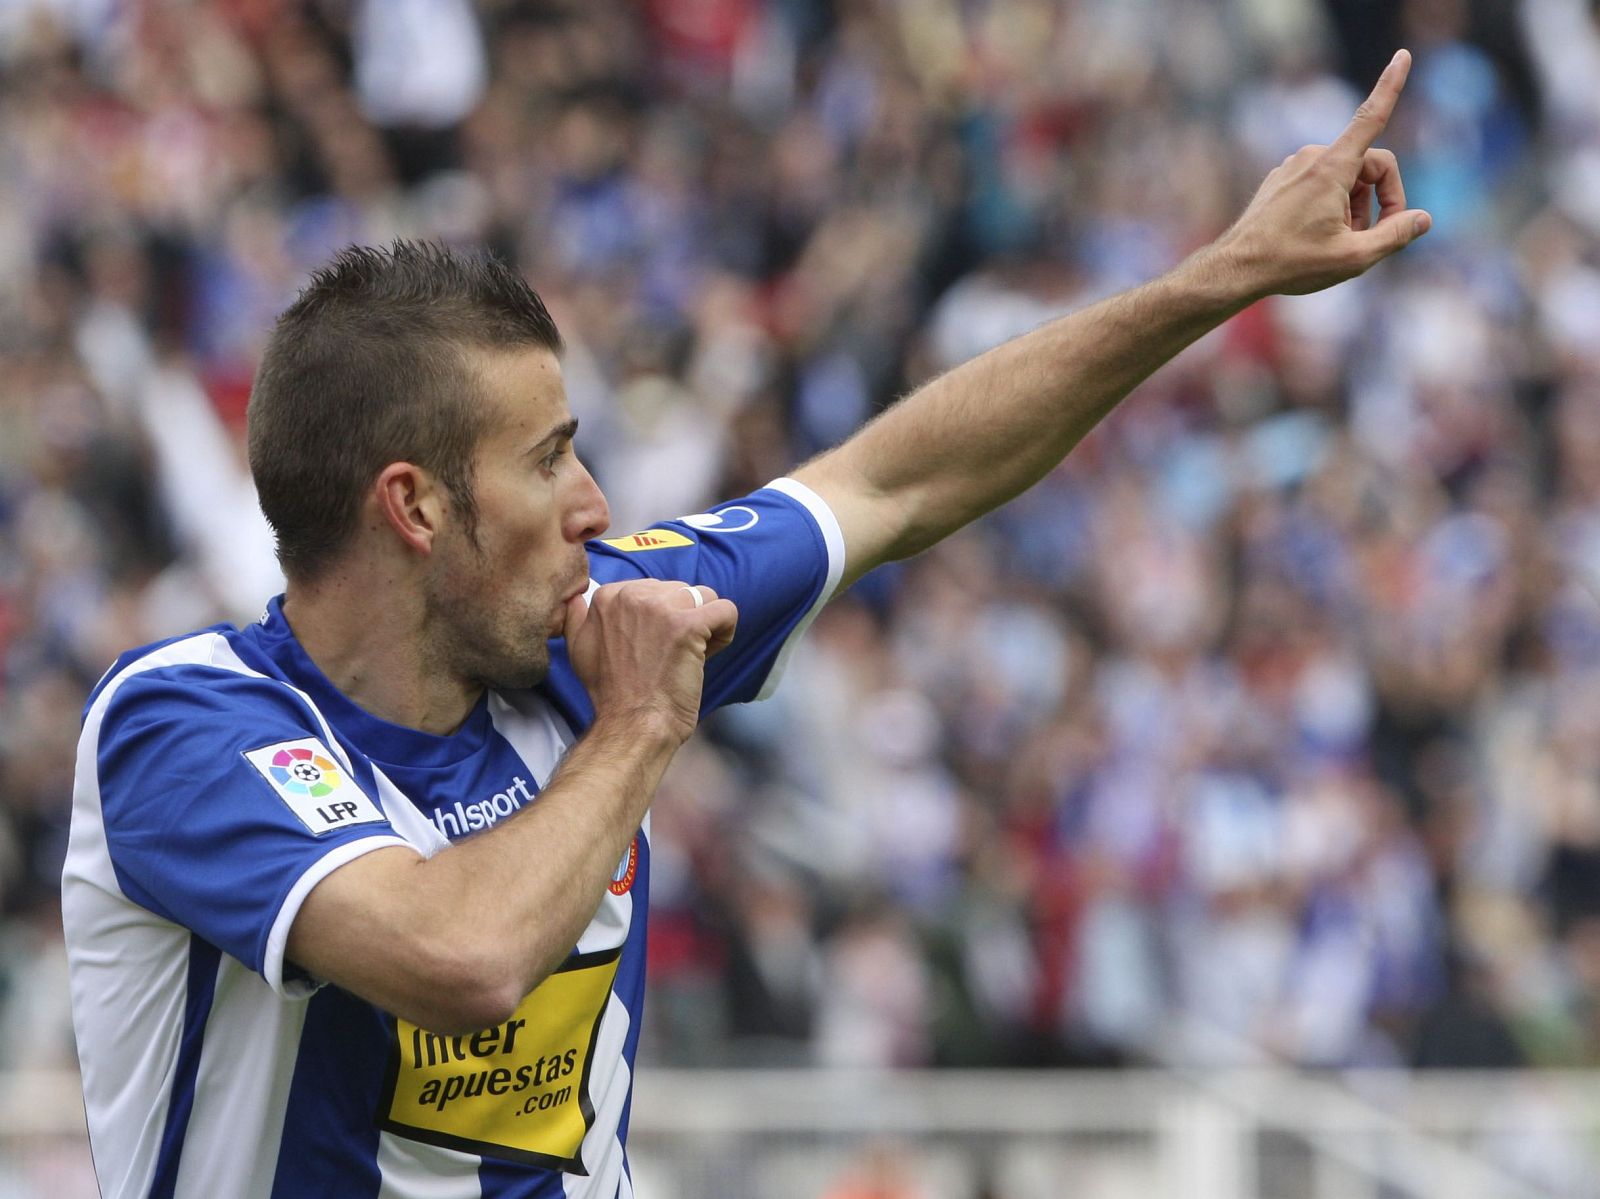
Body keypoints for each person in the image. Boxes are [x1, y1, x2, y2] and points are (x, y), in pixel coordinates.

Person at [61, 50, 1431, 1199]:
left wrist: (1222, 277)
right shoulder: (184, 724)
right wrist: (644, 724)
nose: (597, 503)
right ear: (413, 509)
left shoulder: (578, 626)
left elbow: (892, 481)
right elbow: (459, 957)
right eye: (546, 462)